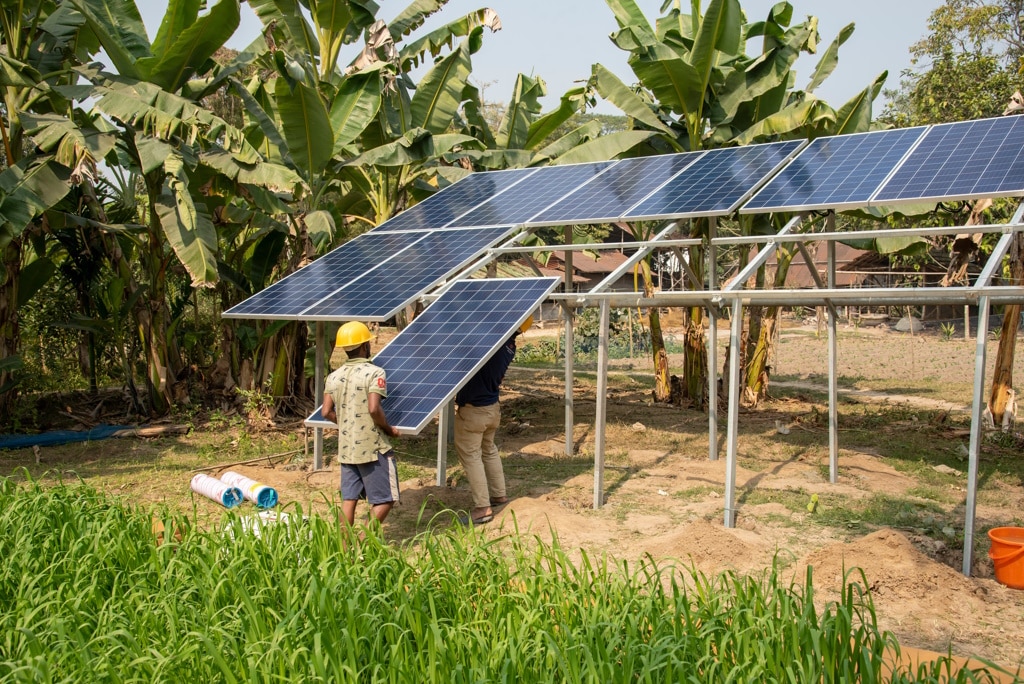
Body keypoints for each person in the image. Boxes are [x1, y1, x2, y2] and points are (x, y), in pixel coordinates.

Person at [453, 314, 533, 524]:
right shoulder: (509, 347)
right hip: (492, 409)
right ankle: (499, 494)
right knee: (488, 450)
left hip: (474, 411)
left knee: (471, 456)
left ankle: (482, 508)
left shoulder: (490, 344)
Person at [322, 321, 401, 528]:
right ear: (365, 345)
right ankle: (364, 541)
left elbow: (325, 411)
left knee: (349, 501)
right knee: (386, 499)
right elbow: (374, 409)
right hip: (373, 448)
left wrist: (348, 423)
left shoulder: (333, 376)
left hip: (347, 448)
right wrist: (389, 429)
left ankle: (345, 547)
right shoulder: (375, 373)